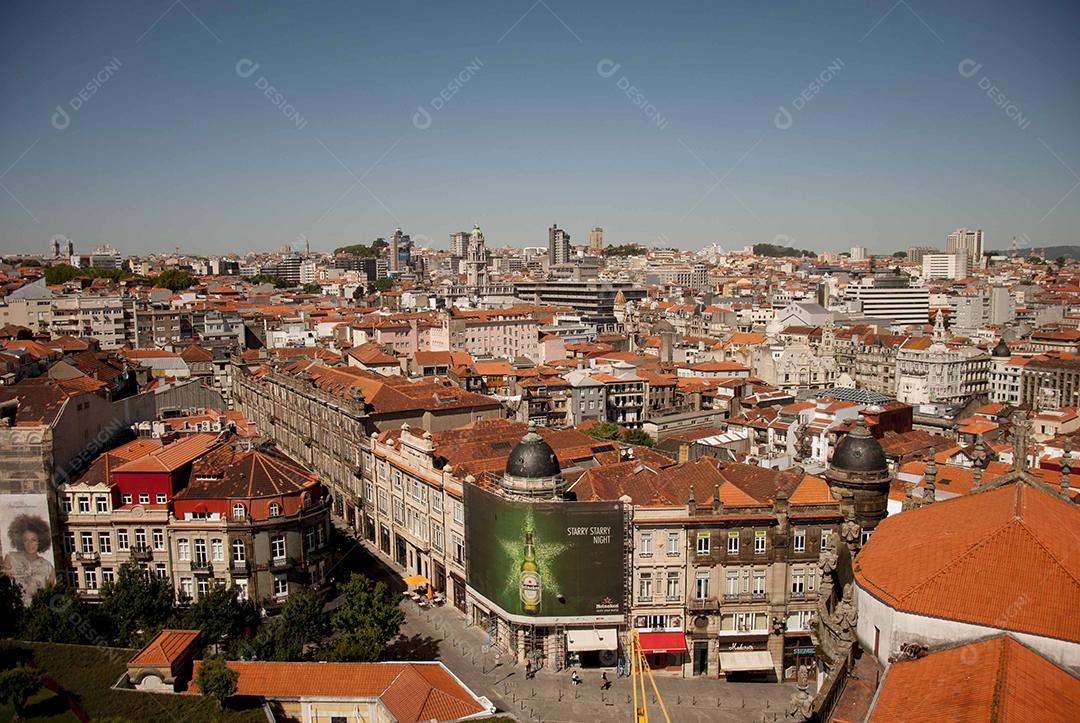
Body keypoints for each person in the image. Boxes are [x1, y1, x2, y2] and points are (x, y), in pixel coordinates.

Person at [3, 514, 55, 604]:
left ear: (40, 541)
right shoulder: (11, 558)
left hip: (38, 612)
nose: (30, 544)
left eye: (33, 540)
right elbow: (4, 586)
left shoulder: (48, 567)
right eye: (26, 540)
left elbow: (50, 595)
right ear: (20, 542)